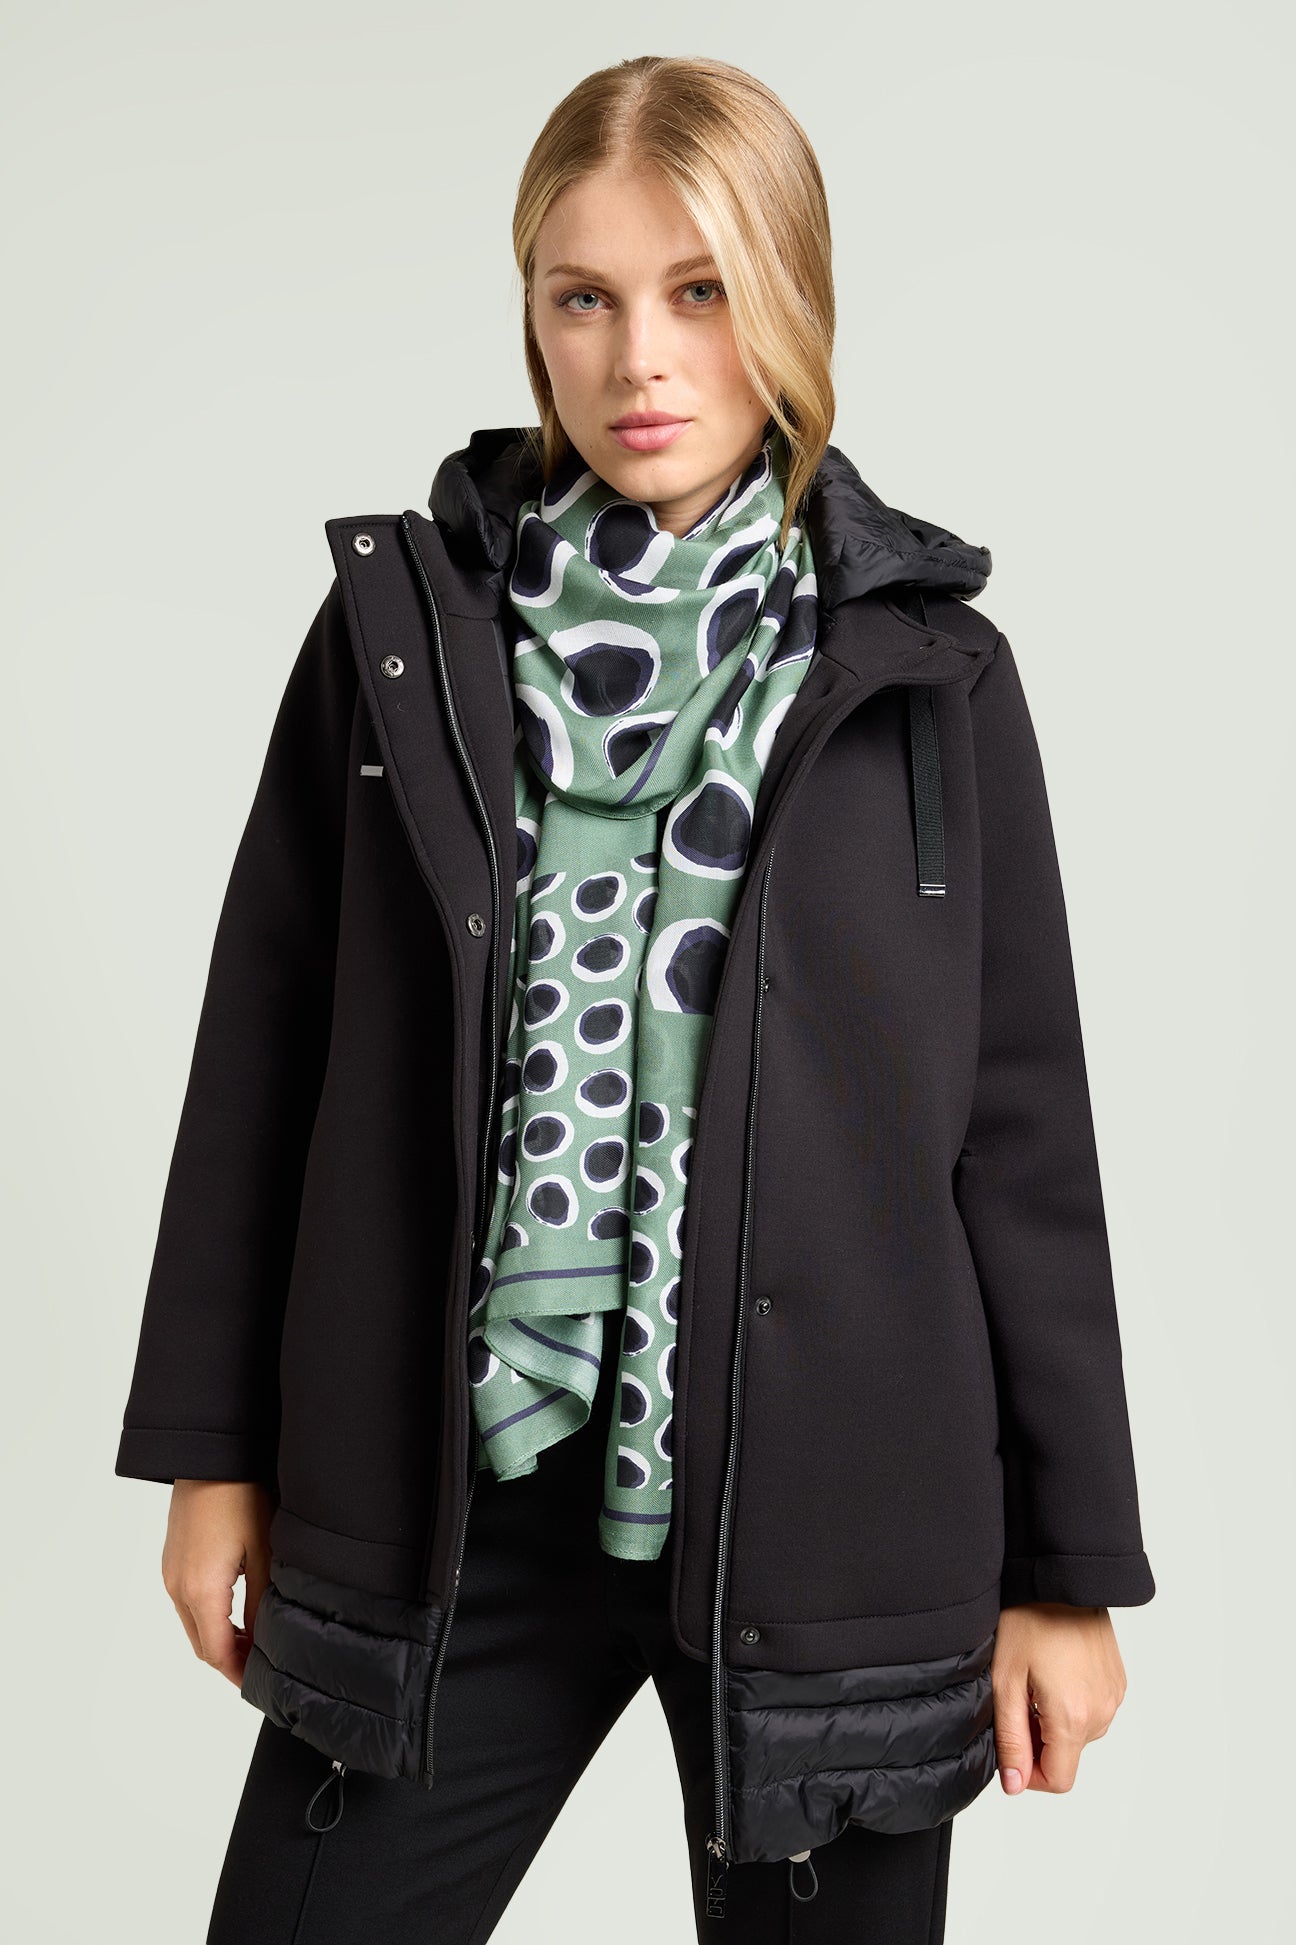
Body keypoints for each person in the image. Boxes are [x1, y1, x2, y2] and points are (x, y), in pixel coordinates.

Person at [115, 54, 1155, 1945]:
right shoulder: (403, 642)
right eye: (582, 296)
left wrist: (1067, 1567)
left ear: (792, 298)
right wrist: (211, 1451)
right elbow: (264, 1050)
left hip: (826, 1521)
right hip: (456, 1495)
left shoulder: (930, 676)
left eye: (700, 291)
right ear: (530, 310)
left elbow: (1018, 1133)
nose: (638, 360)